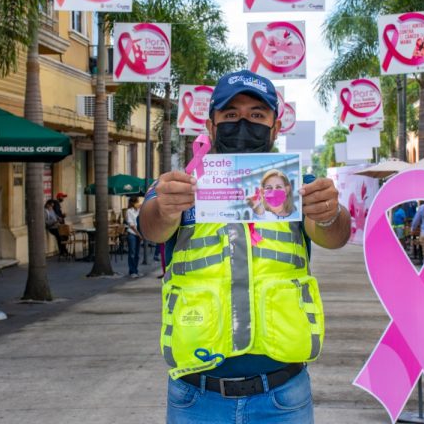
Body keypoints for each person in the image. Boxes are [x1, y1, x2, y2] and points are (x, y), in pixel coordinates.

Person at [139, 69, 351, 423]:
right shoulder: (181, 187)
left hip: (283, 393)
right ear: (210, 126)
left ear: (275, 127)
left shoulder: (298, 186)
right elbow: (152, 227)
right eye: (230, 115)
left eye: (256, 115)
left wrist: (329, 214)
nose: (243, 124)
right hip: (196, 395)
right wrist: (164, 208)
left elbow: (335, 235)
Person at [125, 196, 142, 278]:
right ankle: (132, 271)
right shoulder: (129, 211)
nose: (138, 203)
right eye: (137, 202)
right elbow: (131, 225)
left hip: (138, 234)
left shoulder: (139, 211)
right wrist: (138, 234)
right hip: (132, 234)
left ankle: (135, 270)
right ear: (133, 203)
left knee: (137, 254)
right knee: (132, 253)